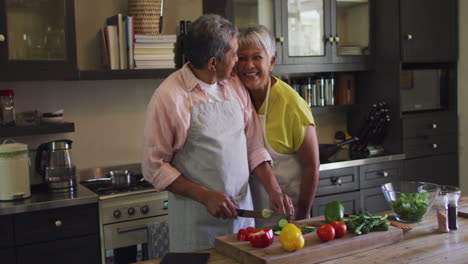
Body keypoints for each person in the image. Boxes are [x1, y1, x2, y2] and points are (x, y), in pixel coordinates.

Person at [142, 14, 293, 252]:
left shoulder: (234, 85)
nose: (238, 61)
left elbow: (253, 147)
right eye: (234, 54)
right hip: (197, 227)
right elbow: (154, 167)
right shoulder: (169, 97)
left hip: (243, 222)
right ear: (213, 63)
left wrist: (273, 189)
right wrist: (204, 195)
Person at [236, 24, 320, 225]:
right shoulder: (238, 97)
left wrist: (303, 216)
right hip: (252, 214)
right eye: (242, 58)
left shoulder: (291, 104)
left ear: (271, 62)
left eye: (257, 57)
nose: (249, 65)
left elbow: (312, 165)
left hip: (288, 214)